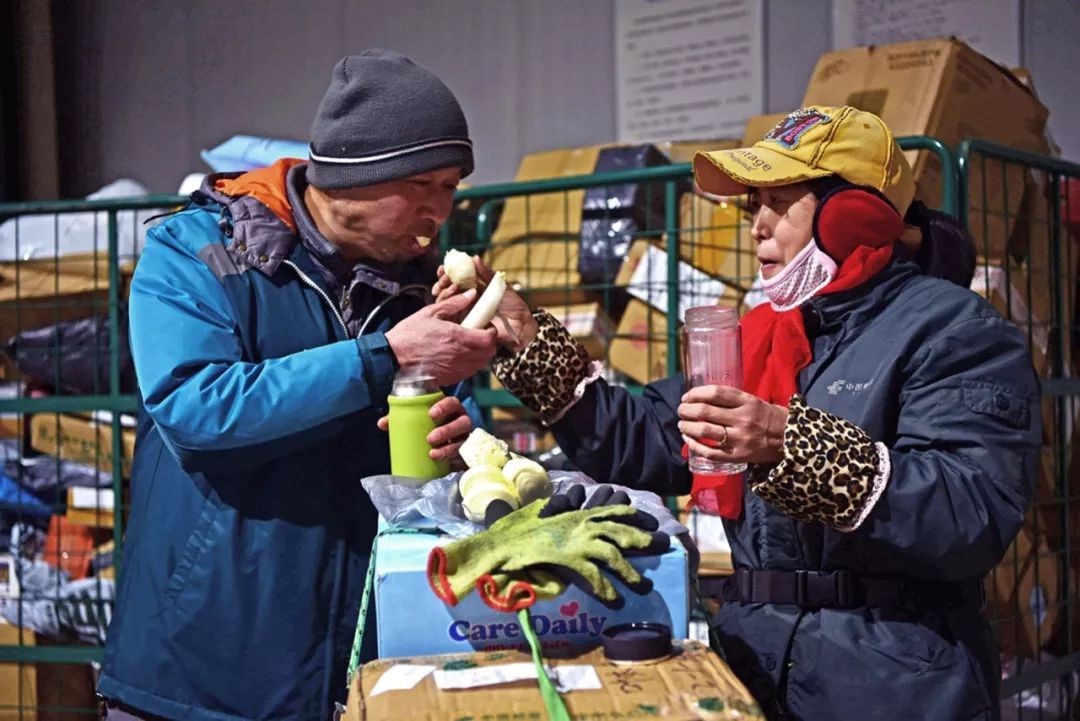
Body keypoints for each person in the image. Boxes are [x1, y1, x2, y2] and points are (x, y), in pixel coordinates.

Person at [437, 106, 1040, 721]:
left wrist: (791, 445)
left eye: (780, 202)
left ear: (852, 215)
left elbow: (970, 514)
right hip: (753, 664)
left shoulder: (955, 332)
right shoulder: (759, 335)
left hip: (894, 681)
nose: (758, 226)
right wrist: (530, 344)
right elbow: (649, 439)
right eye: (755, 206)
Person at [98, 50, 496, 721]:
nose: (439, 208)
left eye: (451, 186)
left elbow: (444, 457)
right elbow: (196, 409)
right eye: (422, 183)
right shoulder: (196, 252)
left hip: (356, 672)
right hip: (198, 678)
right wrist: (382, 356)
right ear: (354, 177)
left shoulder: (417, 287)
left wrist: (460, 442)